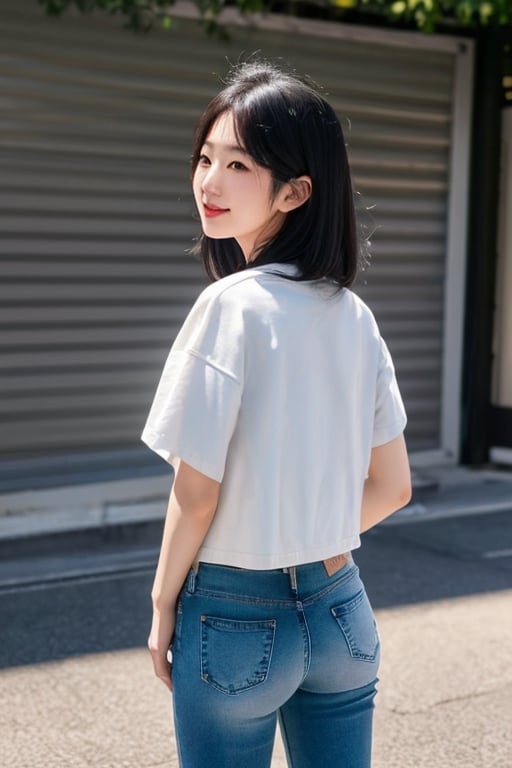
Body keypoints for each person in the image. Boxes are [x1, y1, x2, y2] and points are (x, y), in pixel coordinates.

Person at [142, 59, 411, 768]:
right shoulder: (354, 315)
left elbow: (196, 493)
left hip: (234, 616)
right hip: (341, 611)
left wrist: (163, 601)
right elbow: (393, 487)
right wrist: (309, 529)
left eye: (239, 164)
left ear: (296, 191)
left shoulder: (229, 306)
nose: (210, 181)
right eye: (206, 157)